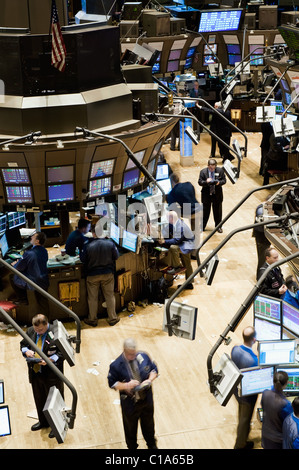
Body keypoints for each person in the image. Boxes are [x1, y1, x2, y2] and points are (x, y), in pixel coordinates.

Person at [107, 338, 158, 450]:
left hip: (146, 401)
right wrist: (126, 385)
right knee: (130, 430)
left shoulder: (143, 356)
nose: (133, 356)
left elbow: (154, 370)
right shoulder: (116, 365)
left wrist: (149, 380)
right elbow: (112, 383)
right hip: (130, 405)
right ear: (124, 350)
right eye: (130, 354)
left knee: (149, 427)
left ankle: (152, 445)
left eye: (134, 353)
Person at [20, 314, 65, 438]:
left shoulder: (56, 333)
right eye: (36, 330)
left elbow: (63, 353)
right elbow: (23, 344)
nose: (38, 332)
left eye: (40, 330)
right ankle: (43, 422)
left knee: (54, 401)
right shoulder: (30, 331)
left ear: (46, 324)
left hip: (52, 374)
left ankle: (57, 425)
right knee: (39, 398)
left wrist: (51, 360)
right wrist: (26, 351)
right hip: (35, 372)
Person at [80, 223, 119, 327]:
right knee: (110, 296)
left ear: (93, 234)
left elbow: (82, 259)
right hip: (108, 274)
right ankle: (113, 318)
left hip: (92, 275)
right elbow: (116, 257)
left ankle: (92, 319)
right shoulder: (110, 243)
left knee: (92, 298)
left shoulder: (87, 245)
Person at [231, 326, 258, 449]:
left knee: (242, 416)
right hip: (248, 397)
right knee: (244, 420)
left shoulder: (235, 349)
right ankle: (240, 445)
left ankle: (243, 439)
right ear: (254, 339)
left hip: (236, 391)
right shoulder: (253, 361)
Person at [10, 232, 49, 310]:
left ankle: (23, 299)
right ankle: (46, 321)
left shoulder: (29, 253)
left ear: (37, 241)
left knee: (13, 277)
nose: (31, 237)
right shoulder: (44, 251)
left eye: (33, 237)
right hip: (44, 280)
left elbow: (18, 268)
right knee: (43, 303)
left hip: (34, 281)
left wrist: (15, 264)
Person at [166, 173, 202, 256]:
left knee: (177, 222)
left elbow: (171, 208)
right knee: (196, 232)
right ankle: (195, 254)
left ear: (171, 183)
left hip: (188, 213)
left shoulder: (172, 192)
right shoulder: (189, 184)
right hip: (198, 210)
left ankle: (179, 248)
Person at [158, 211, 195, 290]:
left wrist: (164, 241)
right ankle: (190, 283)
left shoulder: (180, 226)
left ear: (171, 218)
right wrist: (161, 234)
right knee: (187, 263)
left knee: (173, 248)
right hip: (184, 243)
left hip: (187, 245)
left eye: (167, 218)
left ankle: (177, 266)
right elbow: (166, 229)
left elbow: (176, 241)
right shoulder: (174, 223)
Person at [261, 370, 293, 449]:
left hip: (265, 437)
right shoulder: (285, 404)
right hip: (278, 442)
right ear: (285, 384)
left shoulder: (265, 393)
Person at [198, 158, 226, 233]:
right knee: (205, 212)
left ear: (216, 166)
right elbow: (200, 182)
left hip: (217, 195)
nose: (212, 169)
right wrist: (206, 182)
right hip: (206, 195)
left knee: (218, 212)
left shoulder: (220, 171)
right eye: (210, 168)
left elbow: (224, 180)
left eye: (213, 168)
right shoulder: (203, 172)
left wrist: (219, 183)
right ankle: (202, 227)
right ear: (208, 166)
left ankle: (218, 227)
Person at [252, 203, 271, 280]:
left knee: (262, 257)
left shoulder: (260, 207)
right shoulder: (261, 210)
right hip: (261, 237)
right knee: (262, 258)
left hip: (261, 236)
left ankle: (261, 276)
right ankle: (260, 278)